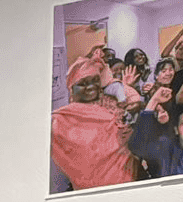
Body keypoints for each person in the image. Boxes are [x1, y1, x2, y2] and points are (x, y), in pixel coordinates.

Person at [52, 56, 135, 190]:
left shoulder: (108, 106)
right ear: (71, 89)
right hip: (93, 190)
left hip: (127, 181)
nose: (91, 86)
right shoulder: (61, 119)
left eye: (95, 80)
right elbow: (83, 159)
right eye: (83, 83)